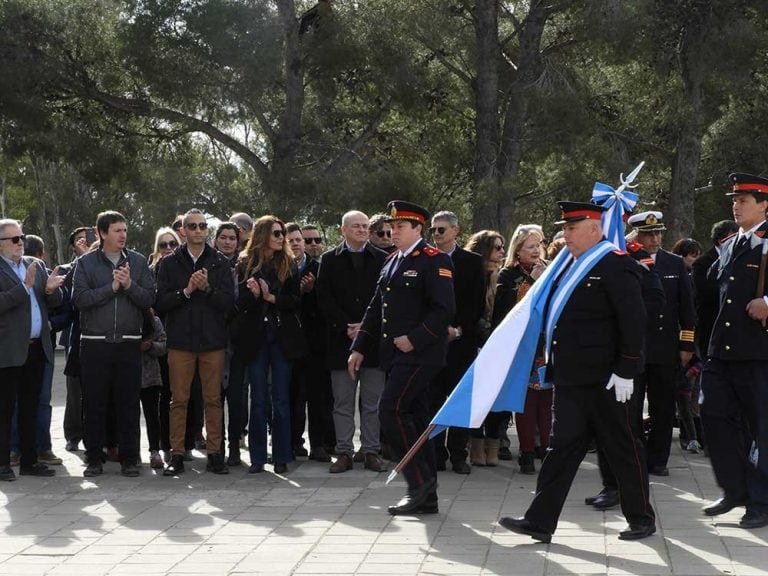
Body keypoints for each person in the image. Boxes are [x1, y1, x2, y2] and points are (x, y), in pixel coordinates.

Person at [500, 201, 655, 542]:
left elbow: (633, 321)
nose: (565, 234)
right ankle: (539, 521)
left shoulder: (616, 265)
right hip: (572, 378)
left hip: (608, 379)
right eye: (565, 228)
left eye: (572, 228)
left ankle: (641, 517)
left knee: (623, 447)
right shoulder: (568, 265)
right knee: (561, 449)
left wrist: (627, 369)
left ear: (594, 229)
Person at [349, 200, 455, 515]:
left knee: (391, 410)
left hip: (420, 354)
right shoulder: (393, 260)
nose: (393, 231)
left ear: (418, 228)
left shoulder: (434, 260)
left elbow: (444, 309)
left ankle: (418, 485)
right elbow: (375, 307)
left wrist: (416, 338)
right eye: (392, 226)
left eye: (400, 226)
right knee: (416, 419)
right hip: (394, 354)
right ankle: (427, 494)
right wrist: (359, 346)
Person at [699, 173, 768, 529]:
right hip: (722, 352)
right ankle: (734, 489)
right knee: (711, 415)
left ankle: (760, 502)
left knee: (762, 429)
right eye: (735, 200)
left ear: (764, 205)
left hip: (758, 353)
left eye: (744, 200)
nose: (736, 205)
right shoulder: (731, 244)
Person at [72, 211, 155, 477]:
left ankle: (130, 458)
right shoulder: (85, 264)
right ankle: (94, 458)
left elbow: (149, 298)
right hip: (95, 344)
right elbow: (80, 300)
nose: (123, 235)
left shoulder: (139, 262)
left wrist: (129, 284)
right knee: (94, 403)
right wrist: (112, 288)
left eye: (125, 230)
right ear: (102, 233)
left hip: (129, 344)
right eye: (117, 230)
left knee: (128, 403)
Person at [155, 209, 234, 476]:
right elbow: (161, 303)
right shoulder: (169, 263)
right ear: (183, 231)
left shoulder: (220, 262)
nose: (198, 230)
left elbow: (228, 303)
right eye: (193, 226)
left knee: (213, 400)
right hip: (180, 342)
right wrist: (187, 291)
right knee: (179, 400)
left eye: (202, 226)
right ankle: (176, 455)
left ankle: (214, 454)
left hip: (212, 342)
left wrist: (207, 288)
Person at [316, 211, 388, 473]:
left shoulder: (382, 258)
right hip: (341, 341)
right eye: (356, 226)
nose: (361, 230)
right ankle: (344, 452)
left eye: (365, 226)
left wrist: (365, 329)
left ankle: (370, 451)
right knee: (343, 402)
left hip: (372, 343)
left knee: (372, 402)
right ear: (343, 230)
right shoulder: (329, 260)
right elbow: (324, 298)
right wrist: (347, 326)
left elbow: (384, 299)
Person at [626, 211, 696, 477]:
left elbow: (687, 308)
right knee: (631, 407)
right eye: (649, 234)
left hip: (665, 348)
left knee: (663, 407)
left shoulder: (674, 263)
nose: (655, 239)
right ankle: (635, 456)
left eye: (658, 233)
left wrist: (687, 345)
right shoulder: (625, 260)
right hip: (634, 346)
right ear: (636, 235)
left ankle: (658, 460)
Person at [232, 215, 301, 475]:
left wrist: (271, 297)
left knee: (281, 399)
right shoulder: (244, 263)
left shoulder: (289, 263)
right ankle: (258, 458)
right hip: (255, 338)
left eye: (282, 233)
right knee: (258, 398)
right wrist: (252, 294)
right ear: (262, 235)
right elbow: (238, 305)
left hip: (282, 338)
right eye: (276, 233)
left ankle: (282, 455)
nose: (281, 238)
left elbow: (295, 301)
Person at [0, 219, 64, 481]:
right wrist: (24, 287)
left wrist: (49, 290)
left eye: (22, 238)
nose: (20, 243)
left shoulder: (33, 264)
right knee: (5, 410)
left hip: (37, 349)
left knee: (30, 407)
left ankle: (29, 460)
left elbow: (54, 302)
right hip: (8, 351)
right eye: (15, 239)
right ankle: (3, 463)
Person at [428, 211, 485, 474]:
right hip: (432, 341)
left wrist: (459, 328)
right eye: (433, 230)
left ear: (455, 231)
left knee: (461, 399)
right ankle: (436, 452)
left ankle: (459, 454)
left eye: (441, 230)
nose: (436, 235)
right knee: (433, 398)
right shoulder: (425, 259)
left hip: (462, 341)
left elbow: (476, 302)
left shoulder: (472, 262)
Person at [491, 224, 549, 474]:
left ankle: (547, 451)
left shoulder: (551, 270)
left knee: (548, 403)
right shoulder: (508, 275)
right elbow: (506, 312)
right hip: (521, 347)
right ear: (518, 250)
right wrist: (530, 281)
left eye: (540, 245)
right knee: (527, 403)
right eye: (531, 246)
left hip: (547, 345)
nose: (537, 250)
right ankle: (526, 452)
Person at [464, 229, 507, 466]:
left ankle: (494, 444)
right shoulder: (473, 272)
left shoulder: (505, 276)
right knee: (477, 398)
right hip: (476, 342)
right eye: (496, 247)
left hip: (499, 344)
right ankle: (476, 444)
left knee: (498, 399)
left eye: (503, 247)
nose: (501, 252)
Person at [140, 309, 167, 469]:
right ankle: (132, 451)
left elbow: (164, 345)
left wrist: (150, 346)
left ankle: (155, 450)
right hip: (129, 375)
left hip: (151, 377)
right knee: (129, 415)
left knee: (152, 416)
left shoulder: (154, 321)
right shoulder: (126, 319)